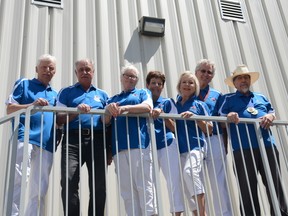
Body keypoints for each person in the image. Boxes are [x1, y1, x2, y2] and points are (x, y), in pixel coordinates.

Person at [219, 65, 288, 216]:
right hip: (243, 149)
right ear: (234, 83)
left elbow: (271, 112)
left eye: (246, 78)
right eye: (240, 78)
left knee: (275, 186)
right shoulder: (227, 99)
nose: (243, 81)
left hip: (268, 145)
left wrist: (271, 116)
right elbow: (221, 120)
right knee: (247, 189)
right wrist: (228, 116)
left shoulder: (261, 97)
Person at [56, 58, 111, 216]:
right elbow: (59, 119)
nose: (85, 72)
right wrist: (75, 111)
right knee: (69, 182)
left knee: (99, 185)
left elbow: (108, 123)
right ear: (76, 73)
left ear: (93, 72)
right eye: (81, 70)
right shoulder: (66, 92)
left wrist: (109, 149)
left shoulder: (102, 95)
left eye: (88, 69)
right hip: (72, 140)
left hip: (98, 140)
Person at [6, 54, 58, 216]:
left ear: (54, 72)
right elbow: (10, 108)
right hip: (25, 137)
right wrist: (32, 105)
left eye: (51, 68)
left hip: (47, 143)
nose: (47, 70)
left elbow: (59, 120)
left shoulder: (56, 94)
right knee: (19, 180)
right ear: (36, 69)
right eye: (44, 67)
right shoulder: (24, 84)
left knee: (40, 188)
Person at [103, 64, 157, 216]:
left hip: (138, 144)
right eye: (127, 75)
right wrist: (108, 109)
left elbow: (147, 107)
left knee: (144, 184)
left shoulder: (142, 92)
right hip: (118, 148)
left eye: (133, 76)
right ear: (121, 78)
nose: (130, 78)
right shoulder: (112, 99)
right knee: (127, 190)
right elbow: (105, 121)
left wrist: (125, 108)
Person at [194, 59, 232, 216]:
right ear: (196, 72)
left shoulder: (218, 95)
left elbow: (223, 124)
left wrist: (224, 144)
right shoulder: (187, 90)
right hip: (194, 141)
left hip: (214, 138)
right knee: (196, 180)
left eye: (209, 72)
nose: (205, 74)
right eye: (202, 71)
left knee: (219, 180)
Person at [146, 71, 185, 216]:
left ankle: (177, 213)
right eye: (153, 83)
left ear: (162, 87)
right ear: (147, 85)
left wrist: (163, 115)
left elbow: (175, 127)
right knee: (150, 183)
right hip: (148, 147)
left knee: (173, 181)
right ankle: (153, 213)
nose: (156, 86)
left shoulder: (168, 102)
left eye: (159, 84)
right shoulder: (142, 102)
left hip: (167, 143)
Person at [175, 72, 213, 216]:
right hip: (179, 149)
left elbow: (209, 129)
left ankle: (202, 213)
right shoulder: (174, 104)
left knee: (189, 172)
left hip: (196, 146)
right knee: (185, 184)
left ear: (195, 87)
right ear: (179, 85)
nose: (187, 85)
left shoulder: (199, 105)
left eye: (191, 83)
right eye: (184, 82)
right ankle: (196, 212)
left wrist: (196, 119)